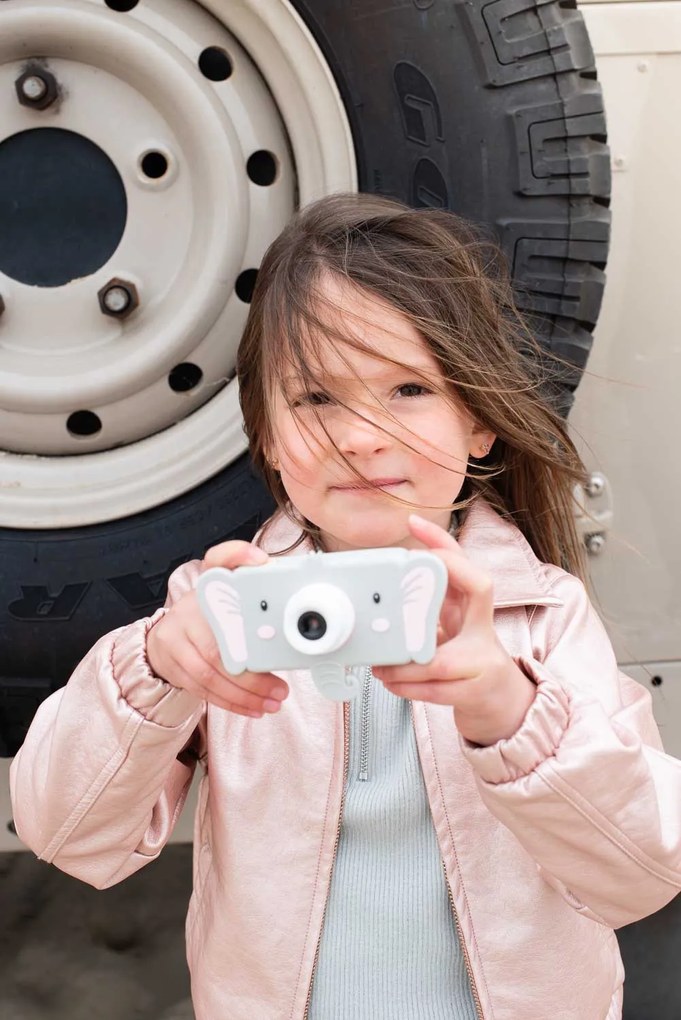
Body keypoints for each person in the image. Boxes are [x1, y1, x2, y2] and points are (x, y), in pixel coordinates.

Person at [10, 194, 681, 1020]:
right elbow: (68, 834)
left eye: (406, 388)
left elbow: (640, 871)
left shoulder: (537, 615)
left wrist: (507, 710)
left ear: (478, 421)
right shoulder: (220, 613)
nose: (361, 437)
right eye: (317, 398)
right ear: (266, 436)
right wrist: (152, 671)